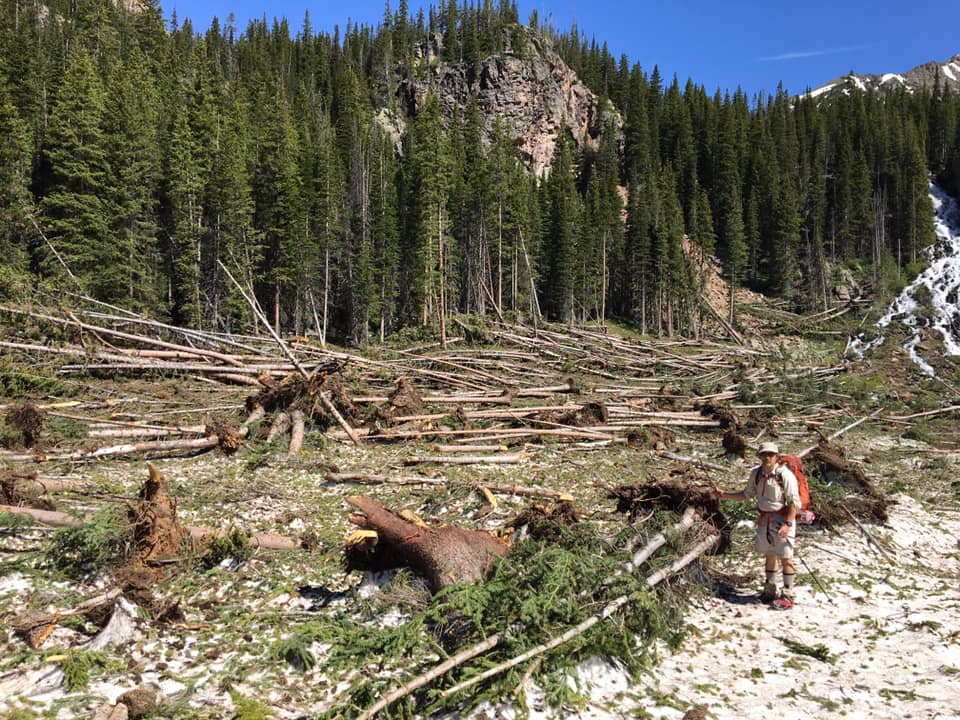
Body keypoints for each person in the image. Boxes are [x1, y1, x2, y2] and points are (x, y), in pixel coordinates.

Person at [715, 441, 800, 610]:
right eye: (764, 455)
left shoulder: (785, 475)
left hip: (782, 519)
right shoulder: (757, 474)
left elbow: (793, 502)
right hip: (764, 519)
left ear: (777, 457)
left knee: (786, 556)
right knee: (769, 555)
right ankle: (769, 590)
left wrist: (788, 524)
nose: (767, 458)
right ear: (760, 457)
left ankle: (788, 594)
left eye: (770, 455)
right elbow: (746, 495)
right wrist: (724, 495)